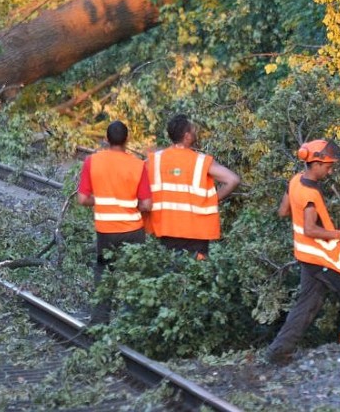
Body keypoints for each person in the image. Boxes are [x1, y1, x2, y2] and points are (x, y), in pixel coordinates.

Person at [265, 139, 340, 364]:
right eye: (328, 166)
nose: (330, 170)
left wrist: (298, 209)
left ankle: (278, 351)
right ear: (315, 163)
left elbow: (283, 211)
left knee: (308, 304)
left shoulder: (294, 182)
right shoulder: (310, 194)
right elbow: (310, 229)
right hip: (320, 256)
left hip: (305, 255)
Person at [77, 120, 152, 324]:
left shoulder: (92, 161)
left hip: (106, 231)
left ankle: (100, 323)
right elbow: (146, 205)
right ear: (127, 140)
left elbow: (82, 199)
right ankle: (130, 325)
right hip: (133, 231)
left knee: (103, 273)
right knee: (133, 277)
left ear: (106, 139)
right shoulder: (138, 165)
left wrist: (99, 200)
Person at [145, 114, 240, 259]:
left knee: (170, 275)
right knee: (196, 277)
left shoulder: (155, 159)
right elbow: (232, 180)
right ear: (187, 136)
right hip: (196, 233)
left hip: (165, 229)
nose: (196, 132)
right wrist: (212, 199)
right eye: (193, 130)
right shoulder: (201, 161)